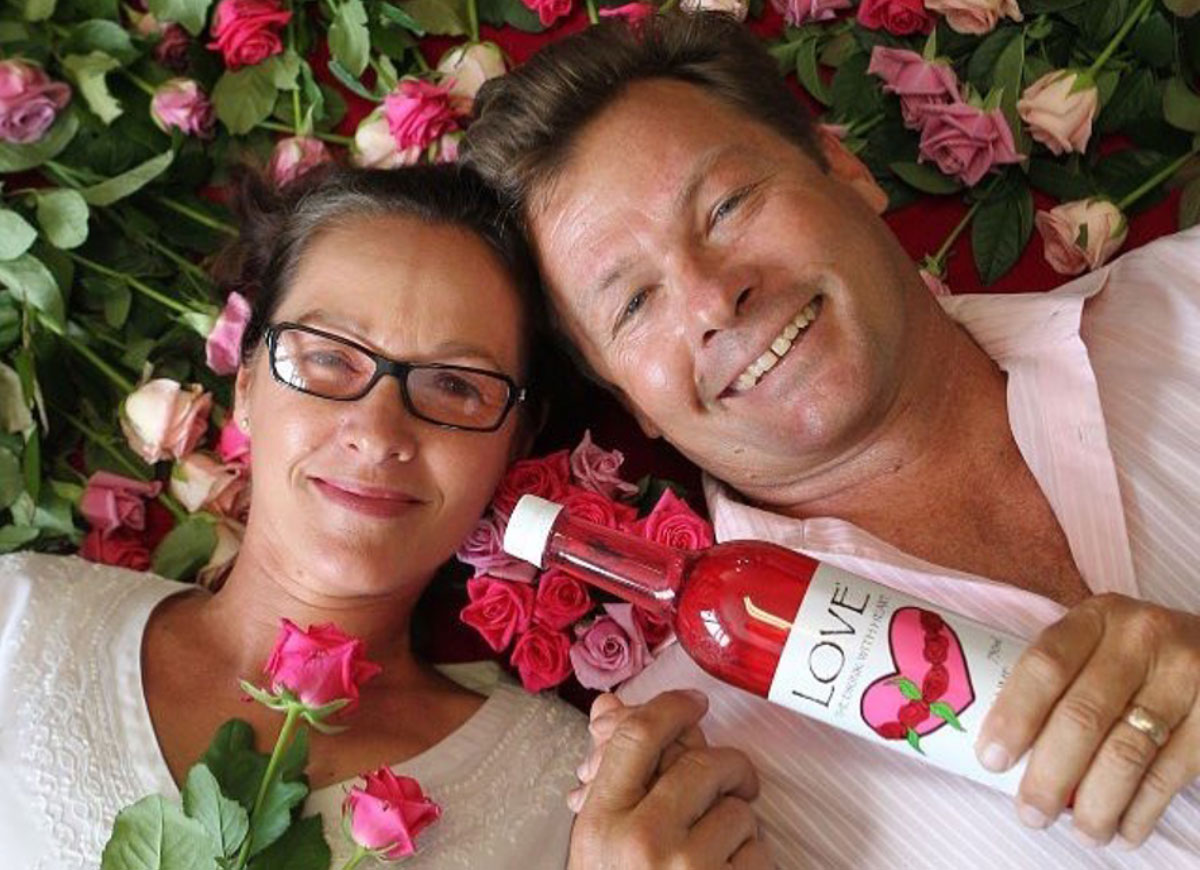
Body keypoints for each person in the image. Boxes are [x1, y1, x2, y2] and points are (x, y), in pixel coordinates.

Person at [463, 12, 1200, 868]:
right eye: (633, 304)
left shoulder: (1186, 300)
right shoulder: (696, 791)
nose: (711, 300)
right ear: (633, 406)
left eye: (728, 206)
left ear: (846, 171)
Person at [0, 165, 591, 869]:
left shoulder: (576, 795)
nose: (377, 433)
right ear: (247, 385)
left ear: (515, 444)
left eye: (456, 385)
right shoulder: (18, 622)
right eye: (329, 359)